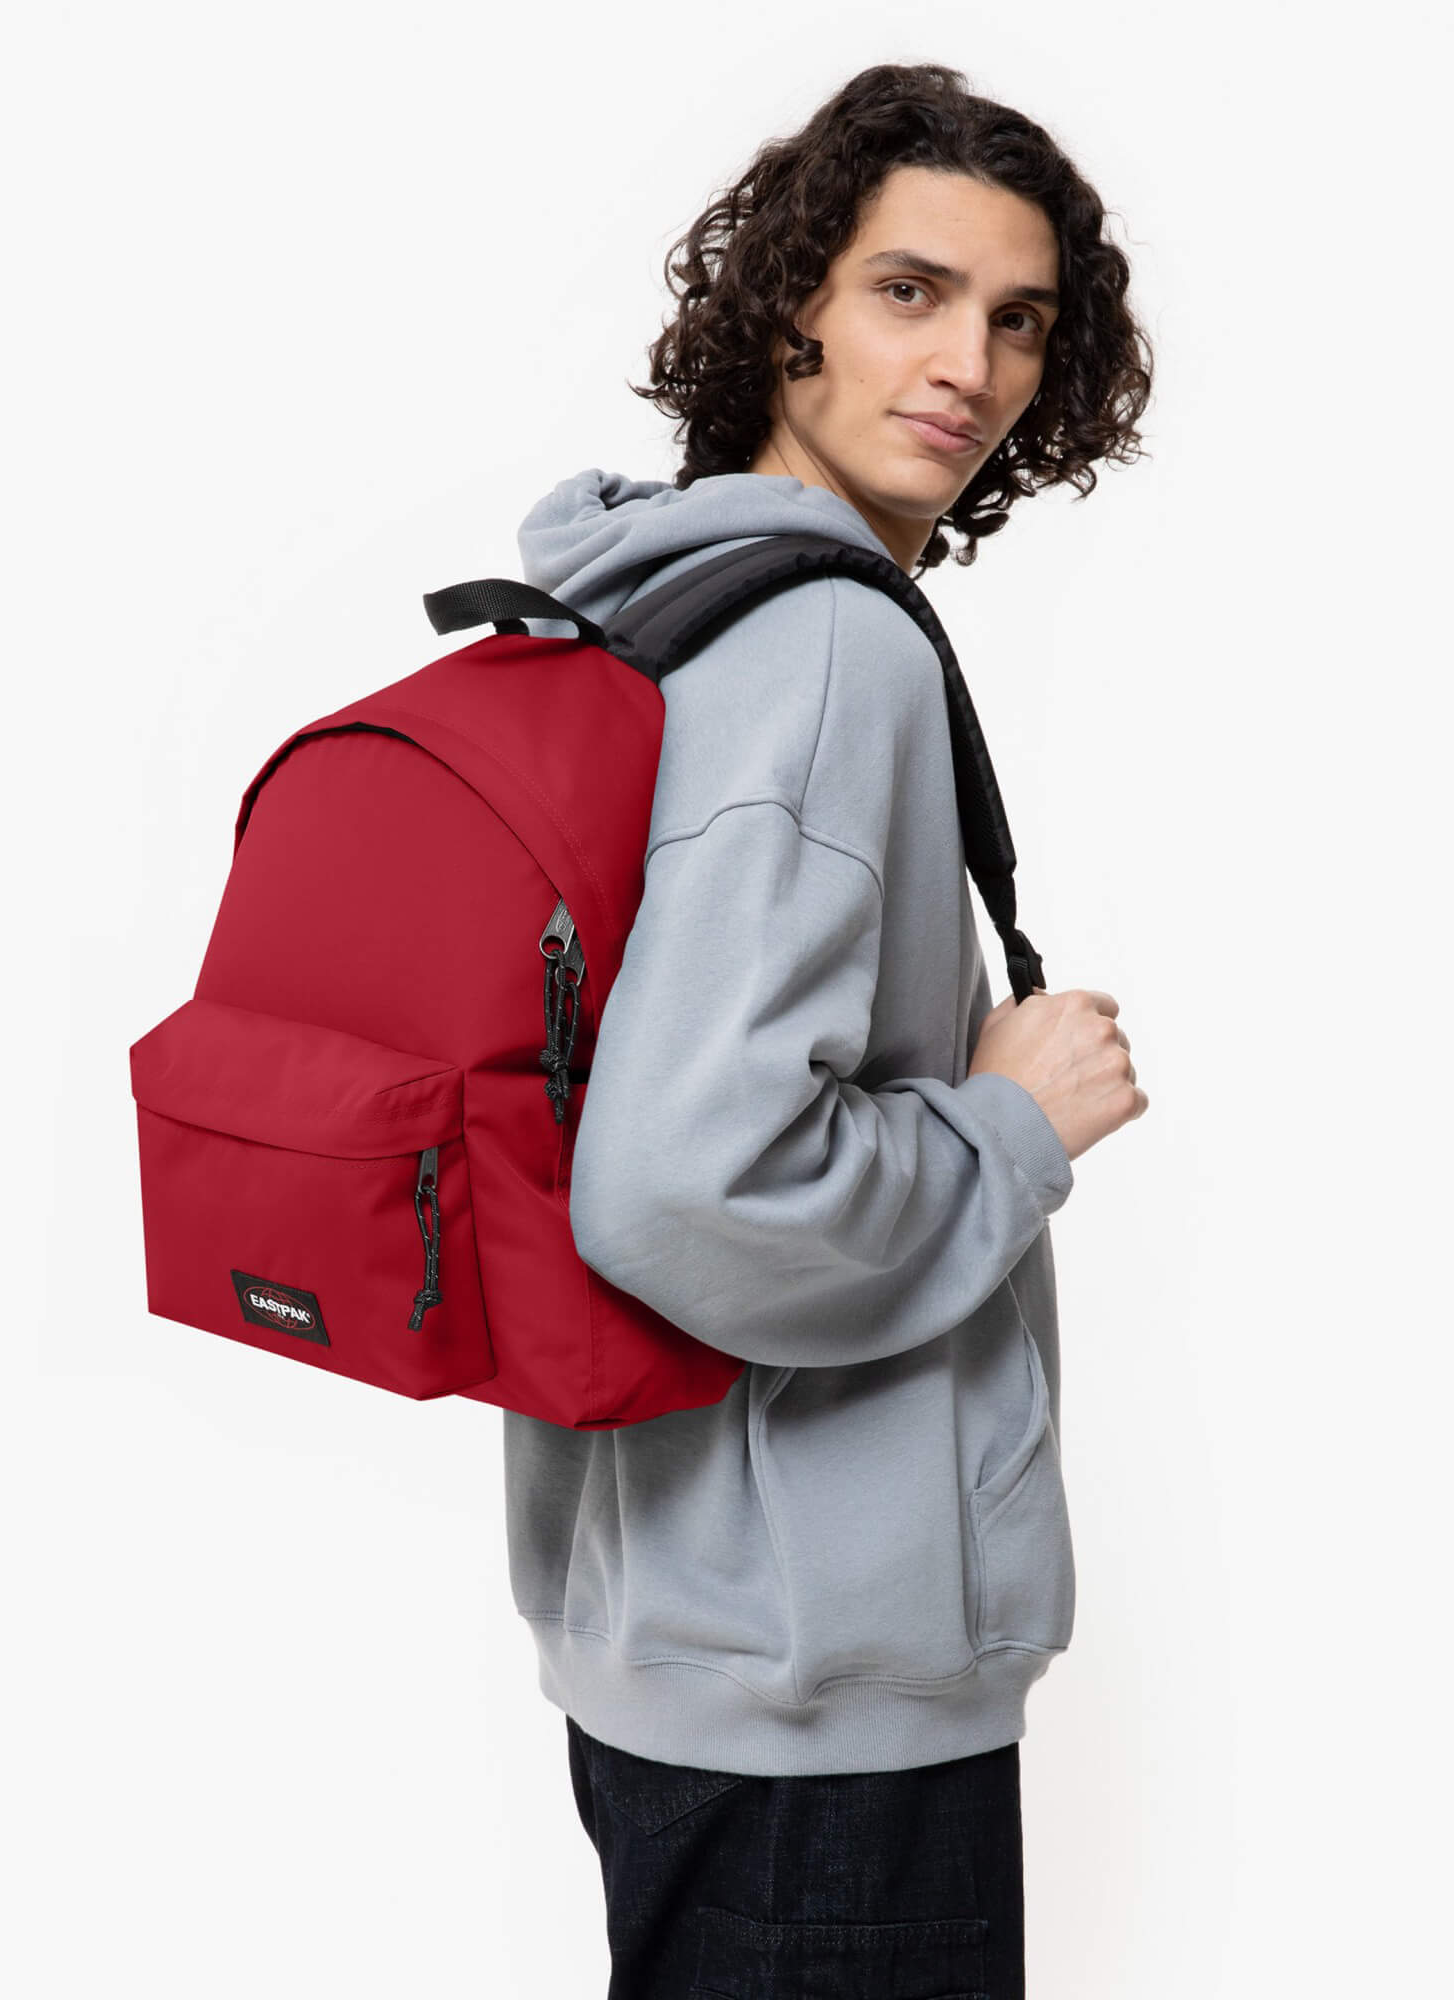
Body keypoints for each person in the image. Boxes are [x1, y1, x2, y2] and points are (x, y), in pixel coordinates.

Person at [503, 61, 1153, 1998]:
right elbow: (680, 1177)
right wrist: (1009, 1124)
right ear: (790, 301)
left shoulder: (667, 602)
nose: (970, 364)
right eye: (908, 291)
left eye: (1018, 320)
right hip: (819, 1710)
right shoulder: (827, 648)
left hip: (683, 1625)